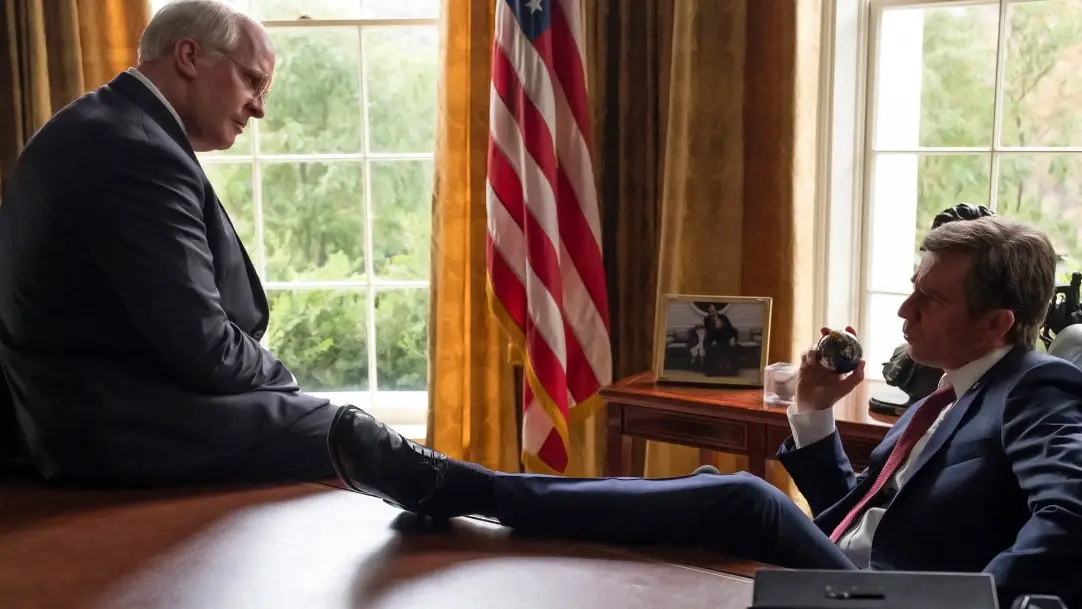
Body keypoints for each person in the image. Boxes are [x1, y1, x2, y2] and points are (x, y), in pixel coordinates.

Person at [328, 215, 1082, 608]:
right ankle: (467, 494)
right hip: (853, 572)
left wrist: (976, 605)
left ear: (997, 323)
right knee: (709, 488)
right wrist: (813, 413)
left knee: (744, 497)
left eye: (931, 299)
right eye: (912, 288)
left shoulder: (1037, 387)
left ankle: (456, 485)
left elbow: (1071, 515)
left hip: (904, 600)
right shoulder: (947, 393)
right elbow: (854, 516)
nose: (905, 311)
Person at [0, 0, 448, 486]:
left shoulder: (99, 124)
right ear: (189, 56)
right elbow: (205, 348)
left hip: (81, 411)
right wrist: (281, 381)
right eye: (253, 80)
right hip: (116, 427)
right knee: (353, 437)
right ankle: (506, 499)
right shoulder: (138, 150)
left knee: (351, 438)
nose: (259, 107)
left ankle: (499, 496)